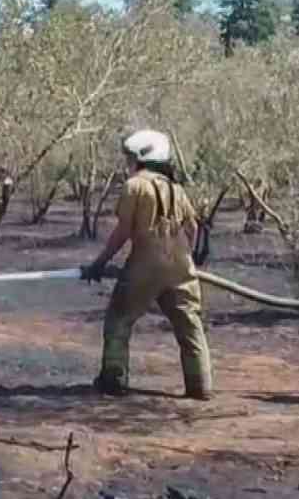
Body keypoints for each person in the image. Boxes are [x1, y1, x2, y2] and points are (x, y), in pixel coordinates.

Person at [81, 129, 213, 399]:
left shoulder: (135, 186)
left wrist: (99, 263)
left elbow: (123, 231)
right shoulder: (177, 189)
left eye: (130, 157)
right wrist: (185, 256)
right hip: (181, 267)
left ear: (141, 157)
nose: (127, 162)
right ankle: (201, 386)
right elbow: (192, 226)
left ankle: (113, 380)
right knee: (190, 326)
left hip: (144, 266)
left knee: (118, 320)